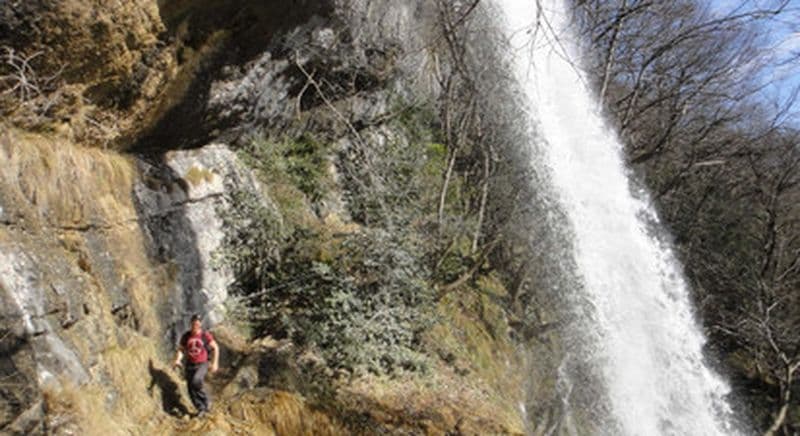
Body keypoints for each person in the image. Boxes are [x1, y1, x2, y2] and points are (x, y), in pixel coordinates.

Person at [172, 313, 219, 416]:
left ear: (200, 324)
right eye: (194, 323)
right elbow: (181, 349)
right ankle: (201, 408)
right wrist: (178, 360)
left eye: (198, 323)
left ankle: (206, 400)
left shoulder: (205, 335)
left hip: (203, 363)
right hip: (190, 364)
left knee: (196, 381)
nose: (196, 325)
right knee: (190, 388)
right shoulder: (186, 336)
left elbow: (215, 347)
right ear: (191, 323)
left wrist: (215, 363)